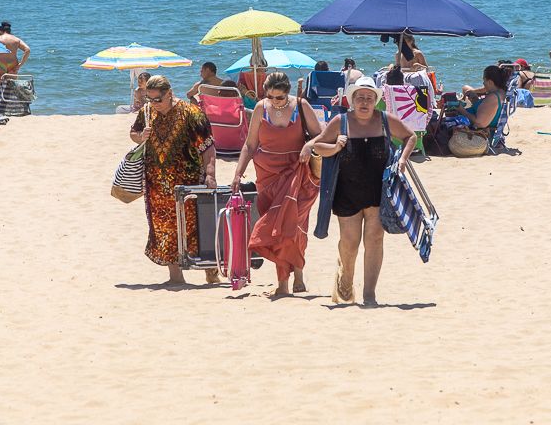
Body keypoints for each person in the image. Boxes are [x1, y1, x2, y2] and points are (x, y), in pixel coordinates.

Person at [303, 76, 416, 307]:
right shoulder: (341, 121)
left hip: (378, 193)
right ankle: (345, 280)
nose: (364, 102)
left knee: (374, 240)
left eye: (369, 98)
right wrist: (335, 146)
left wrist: (403, 160)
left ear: (376, 101)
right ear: (352, 100)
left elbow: (410, 137)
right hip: (346, 192)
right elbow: (319, 145)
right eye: (360, 98)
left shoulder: (385, 120)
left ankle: (369, 294)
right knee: (350, 243)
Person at [231, 72, 322, 297]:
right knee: (276, 228)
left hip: (298, 172)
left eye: (279, 97)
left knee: (295, 225)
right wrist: (238, 173)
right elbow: (250, 145)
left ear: (287, 92)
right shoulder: (260, 108)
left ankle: (295, 274)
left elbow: (321, 136)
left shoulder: (301, 106)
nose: (274, 101)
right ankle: (285, 281)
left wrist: (309, 145)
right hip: (267, 176)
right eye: (270, 96)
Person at [129, 75, 219, 285]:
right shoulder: (147, 112)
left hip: (188, 184)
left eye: (157, 99)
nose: (153, 103)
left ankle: (210, 270)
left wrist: (210, 174)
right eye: (149, 99)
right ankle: (176, 277)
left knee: (197, 227)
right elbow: (133, 132)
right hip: (157, 185)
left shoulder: (191, 114)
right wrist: (141, 137)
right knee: (165, 228)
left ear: (169, 93)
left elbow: (208, 147)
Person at [0, 21, 31, 96]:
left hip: (0, 65)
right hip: (12, 66)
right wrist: (20, 65)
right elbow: (27, 50)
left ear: (0, 31)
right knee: (10, 92)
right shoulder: (16, 39)